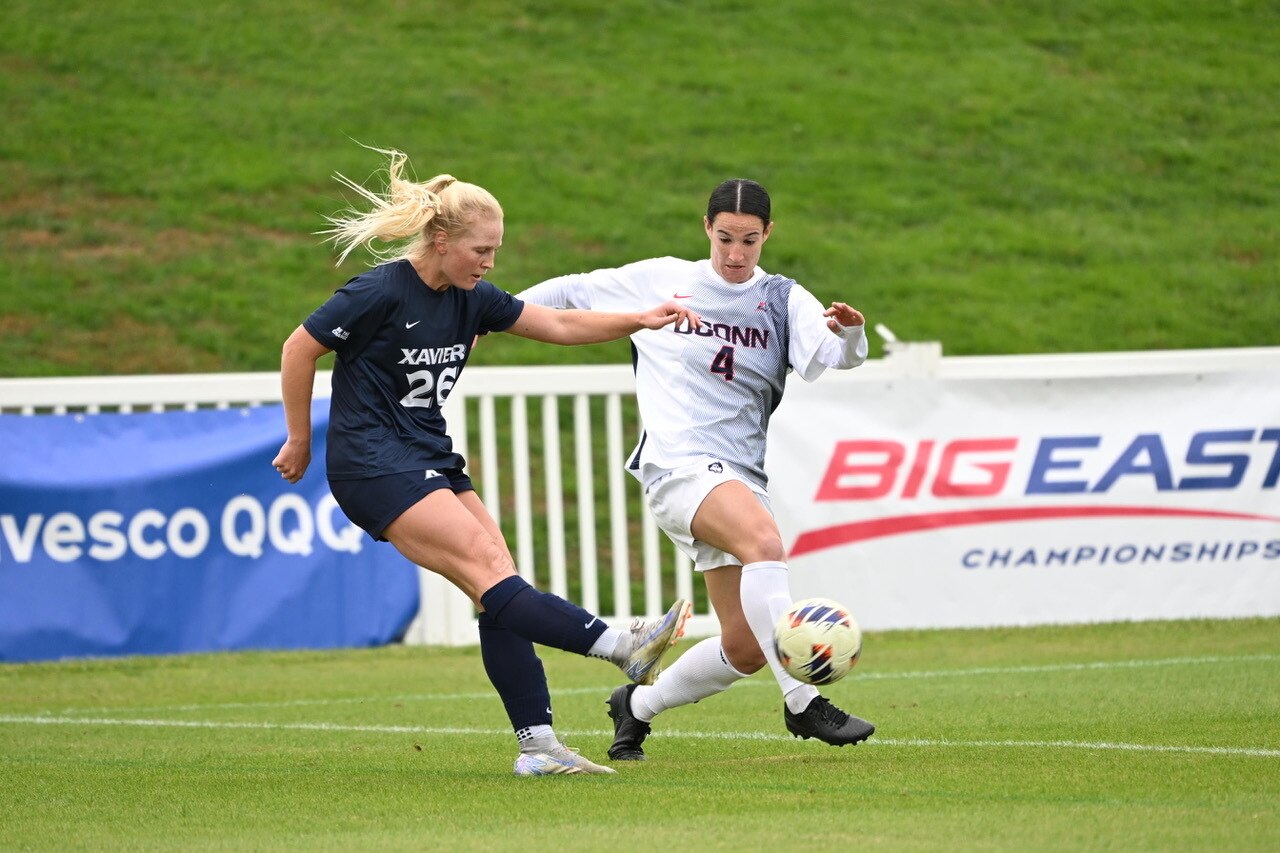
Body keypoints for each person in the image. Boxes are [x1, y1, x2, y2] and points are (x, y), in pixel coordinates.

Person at [270, 147, 696, 776]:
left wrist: (639, 319)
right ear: (440, 240)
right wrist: (300, 439)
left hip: (426, 457)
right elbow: (298, 349)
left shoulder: (473, 297)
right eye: (481, 250)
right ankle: (618, 645)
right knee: (489, 570)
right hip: (372, 463)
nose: (491, 262)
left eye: (496, 249)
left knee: (497, 587)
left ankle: (538, 747)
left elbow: (555, 323)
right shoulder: (380, 290)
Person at [516, 178, 875, 761]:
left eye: (750, 241)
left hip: (737, 477)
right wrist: (486, 315)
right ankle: (802, 702)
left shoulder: (784, 298)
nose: (736, 254)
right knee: (764, 541)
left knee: (745, 644)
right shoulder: (664, 277)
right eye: (726, 238)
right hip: (678, 466)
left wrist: (851, 334)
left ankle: (634, 708)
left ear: (768, 235)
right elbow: (571, 290)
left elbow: (836, 358)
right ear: (707, 227)